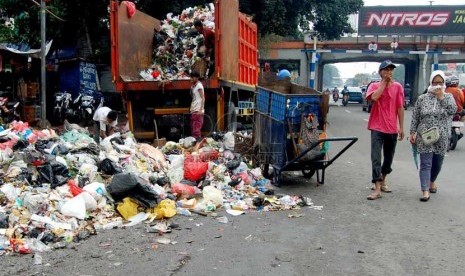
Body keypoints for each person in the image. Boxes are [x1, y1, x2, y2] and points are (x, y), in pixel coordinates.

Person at [409, 70, 456, 201]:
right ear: (430, 83)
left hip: (442, 136)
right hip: (425, 136)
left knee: (437, 163)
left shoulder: (448, 97)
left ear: (444, 83)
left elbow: (453, 110)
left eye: (440, 83)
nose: (437, 86)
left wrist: (441, 97)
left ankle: (432, 181)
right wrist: (412, 132)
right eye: (435, 83)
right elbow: (415, 117)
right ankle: (425, 191)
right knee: (425, 164)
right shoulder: (422, 98)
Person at [366, 60, 405, 200]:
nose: (389, 72)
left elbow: (400, 107)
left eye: (391, 69)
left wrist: (401, 127)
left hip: (392, 128)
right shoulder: (374, 86)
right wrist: (383, 83)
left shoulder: (398, 87)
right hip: (377, 127)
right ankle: (377, 188)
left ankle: (383, 179)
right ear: (380, 72)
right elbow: (374, 98)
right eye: (386, 69)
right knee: (376, 158)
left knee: (389, 158)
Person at [189, 71, 205, 139]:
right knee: (193, 128)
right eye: (191, 77)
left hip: (197, 110)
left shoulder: (199, 86)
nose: (191, 79)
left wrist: (200, 110)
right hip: (194, 109)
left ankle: (197, 143)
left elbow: (203, 98)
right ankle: (196, 143)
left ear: (197, 78)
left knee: (196, 129)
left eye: (193, 77)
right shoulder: (194, 86)